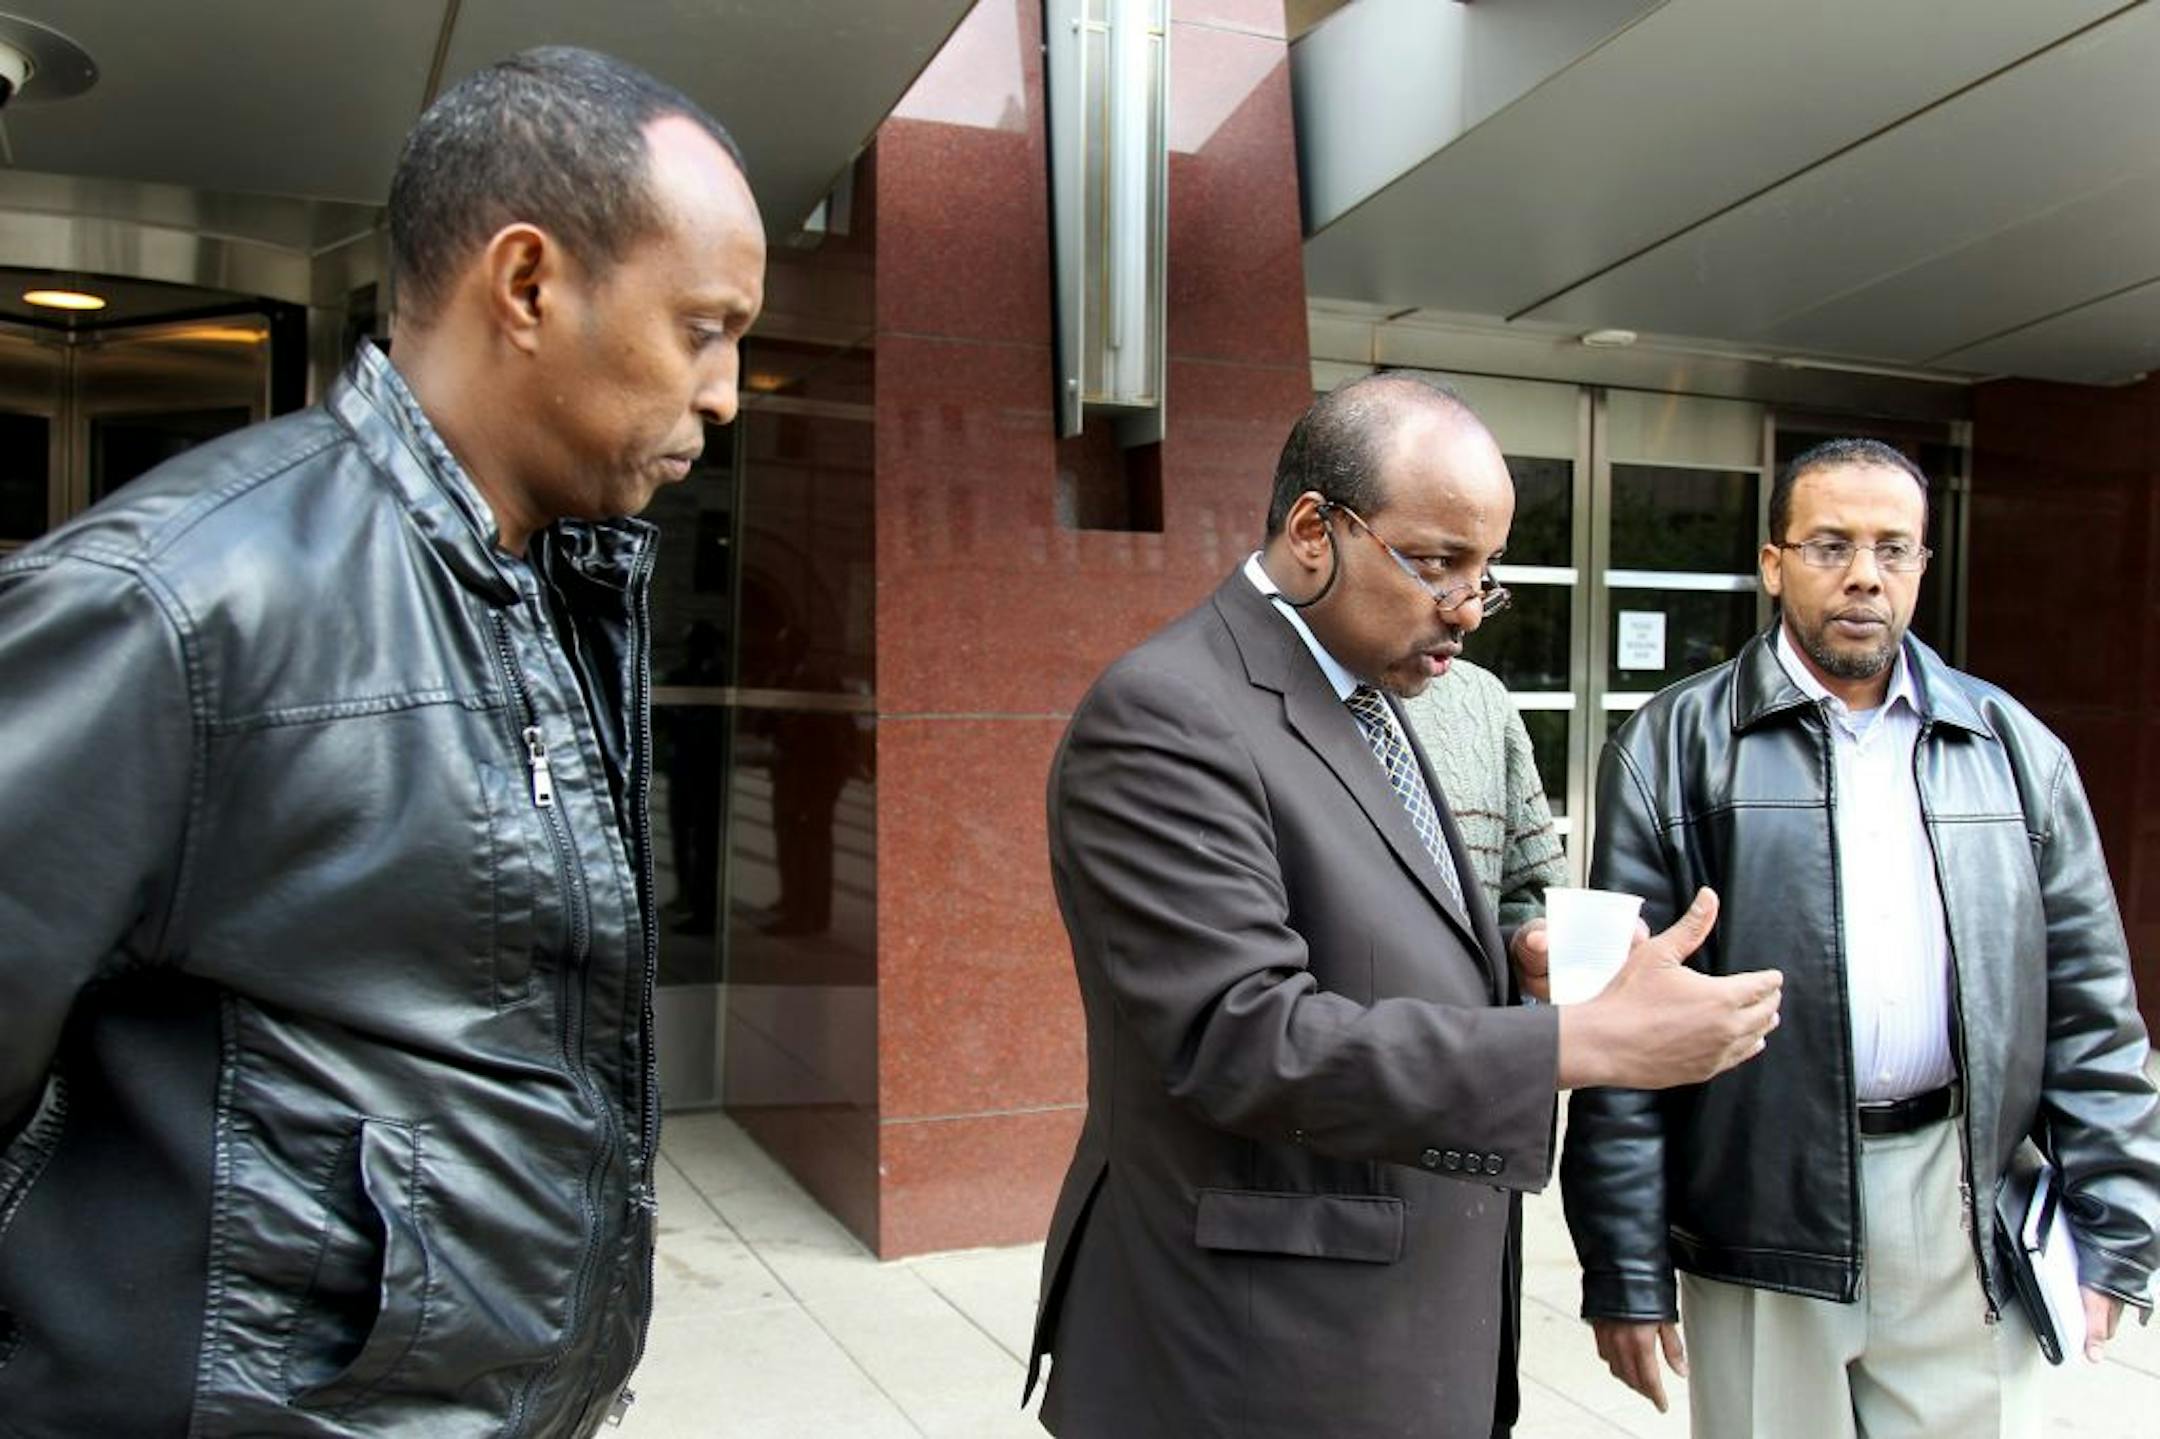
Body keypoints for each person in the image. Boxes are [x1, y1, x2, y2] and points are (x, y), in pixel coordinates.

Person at [0, 47, 764, 1436]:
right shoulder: (177, 605)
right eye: (705, 328)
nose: (727, 393)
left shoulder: (555, 589)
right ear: (528, 286)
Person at [1024, 372, 1784, 1439]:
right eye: (1436, 562)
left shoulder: (1368, 686)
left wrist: (1508, 959)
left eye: (1488, 573)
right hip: (1249, 1357)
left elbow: (1365, 933)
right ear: (1310, 531)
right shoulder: (1166, 714)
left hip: (1378, 1326)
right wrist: (1578, 1042)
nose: (1468, 607)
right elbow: (1241, 1034)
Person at [1563, 438, 2160, 1438]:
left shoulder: (2014, 749)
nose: (1863, 575)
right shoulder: (1670, 748)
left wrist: (2118, 1230)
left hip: (1966, 1205)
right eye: (1831, 544)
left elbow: (2094, 1010)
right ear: (1773, 560)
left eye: (1894, 548)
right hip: (1760, 1210)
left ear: (1924, 565)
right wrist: (1624, 1267)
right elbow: (1619, 1037)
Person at [1401, 658, 1567, 929]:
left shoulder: (1482, 697)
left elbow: (1535, 892)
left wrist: (1520, 946)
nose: (1469, 617)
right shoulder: (1308, 708)